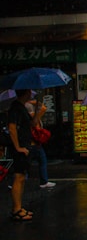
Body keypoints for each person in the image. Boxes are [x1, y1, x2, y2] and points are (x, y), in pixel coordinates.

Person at [7, 89, 34, 221]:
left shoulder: (21, 107)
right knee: (18, 177)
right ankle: (16, 209)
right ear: (26, 93)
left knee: (22, 177)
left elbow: (32, 124)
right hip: (20, 148)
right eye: (29, 92)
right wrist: (18, 147)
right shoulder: (15, 108)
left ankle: (19, 207)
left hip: (25, 146)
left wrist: (39, 112)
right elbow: (12, 128)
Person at [25, 99, 56, 188]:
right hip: (36, 144)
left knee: (25, 164)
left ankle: (16, 181)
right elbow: (43, 108)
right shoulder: (35, 117)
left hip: (27, 143)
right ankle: (43, 181)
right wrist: (33, 101)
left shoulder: (23, 117)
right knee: (42, 161)